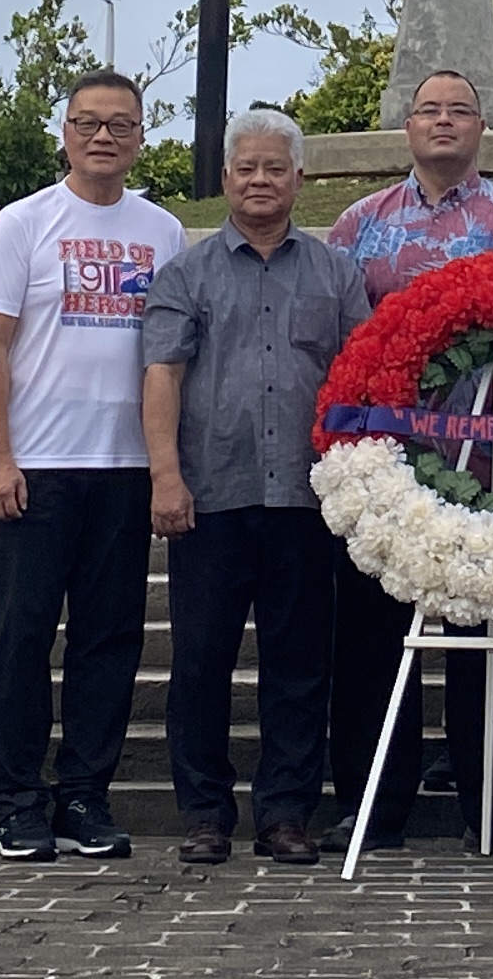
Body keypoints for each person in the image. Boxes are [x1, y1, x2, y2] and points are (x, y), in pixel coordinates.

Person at [326, 68, 493, 854]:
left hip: (492, 466)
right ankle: (372, 806)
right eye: (428, 110)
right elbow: (339, 339)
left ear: (481, 126)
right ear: (407, 125)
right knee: (368, 643)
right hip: (386, 465)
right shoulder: (360, 226)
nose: (442, 122)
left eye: (458, 110)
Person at [0, 70, 185, 862]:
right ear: (64, 131)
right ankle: (15, 798)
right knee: (22, 636)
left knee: (110, 638)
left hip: (126, 466)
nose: (103, 136)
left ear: (140, 136)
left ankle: (85, 792)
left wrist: (166, 465)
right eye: (87, 122)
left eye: (119, 124)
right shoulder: (23, 224)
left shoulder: (162, 231)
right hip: (38, 464)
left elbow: (170, 354)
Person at [143, 107, 368, 866]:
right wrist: (166, 476)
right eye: (249, 168)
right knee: (201, 661)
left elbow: (358, 382)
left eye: (277, 167)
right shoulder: (186, 273)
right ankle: (205, 812)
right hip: (211, 495)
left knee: (300, 665)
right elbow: (163, 375)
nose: (262, 180)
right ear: (226, 178)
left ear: (300, 179)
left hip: (306, 501)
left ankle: (286, 815)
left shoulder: (337, 273)